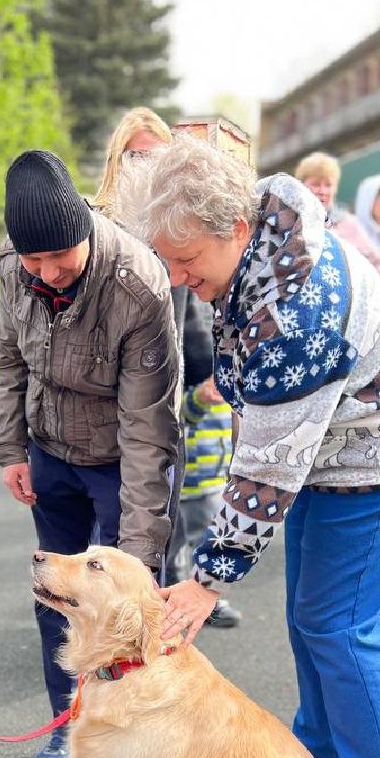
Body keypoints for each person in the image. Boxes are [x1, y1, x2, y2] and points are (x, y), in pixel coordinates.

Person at [116, 135, 380, 758]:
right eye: (166, 258)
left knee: (340, 622)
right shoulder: (265, 217)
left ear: (233, 228)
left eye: (187, 260)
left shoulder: (292, 324)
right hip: (340, 444)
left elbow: (266, 472)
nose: (177, 277)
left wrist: (207, 581)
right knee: (312, 613)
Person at [0, 149, 180, 758]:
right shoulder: (15, 269)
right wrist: (11, 448)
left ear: (83, 233)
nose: (45, 272)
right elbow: (10, 361)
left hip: (121, 461)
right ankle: (65, 728)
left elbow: (149, 430)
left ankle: (146, 734)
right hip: (50, 452)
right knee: (56, 592)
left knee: (133, 601)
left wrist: (141, 554)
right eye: (32, 260)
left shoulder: (137, 285)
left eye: (57, 257)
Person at [94, 107, 241, 627]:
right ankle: (107, 625)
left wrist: (212, 376)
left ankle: (166, 609)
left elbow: (193, 312)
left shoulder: (173, 226)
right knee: (111, 518)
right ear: (117, 162)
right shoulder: (99, 230)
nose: (144, 166)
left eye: (155, 156)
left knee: (169, 510)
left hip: (163, 391)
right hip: (104, 401)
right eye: (134, 155)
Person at [295, 151, 380, 274]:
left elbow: (377, 265)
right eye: (315, 184)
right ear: (301, 187)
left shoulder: (348, 224)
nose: (323, 191)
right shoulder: (290, 222)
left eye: (328, 185)